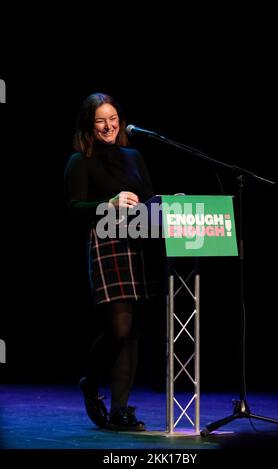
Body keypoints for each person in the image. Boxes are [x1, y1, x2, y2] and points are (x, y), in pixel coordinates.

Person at [64, 92, 158, 431]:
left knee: (132, 331)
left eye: (113, 118)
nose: (109, 125)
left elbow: (148, 199)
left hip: (139, 242)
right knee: (118, 327)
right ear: (90, 125)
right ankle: (90, 381)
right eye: (101, 120)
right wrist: (110, 202)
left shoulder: (134, 156)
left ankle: (119, 410)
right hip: (107, 242)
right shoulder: (80, 160)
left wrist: (165, 204)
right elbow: (74, 207)